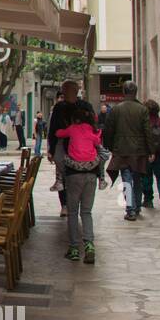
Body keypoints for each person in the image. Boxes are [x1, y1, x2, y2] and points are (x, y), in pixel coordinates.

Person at [55, 103, 103, 264]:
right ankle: (89, 245)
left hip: (74, 174)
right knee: (87, 212)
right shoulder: (91, 130)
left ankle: (74, 249)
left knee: (73, 212)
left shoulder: (73, 129)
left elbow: (58, 133)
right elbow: (97, 141)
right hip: (91, 174)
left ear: (74, 119)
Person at [101, 81, 152, 220]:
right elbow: (147, 131)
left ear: (124, 91)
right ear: (135, 92)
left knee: (127, 180)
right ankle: (136, 207)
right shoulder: (142, 109)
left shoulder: (117, 109)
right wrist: (150, 149)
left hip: (122, 150)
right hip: (139, 151)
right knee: (137, 179)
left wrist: (110, 146)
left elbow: (108, 130)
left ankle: (130, 209)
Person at [46, 80, 95, 218]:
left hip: (80, 148)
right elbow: (53, 129)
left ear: (75, 90)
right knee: (62, 176)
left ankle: (77, 204)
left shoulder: (85, 106)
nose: (64, 92)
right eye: (63, 90)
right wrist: (52, 148)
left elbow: (93, 126)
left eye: (66, 90)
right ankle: (65, 205)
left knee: (77, 177)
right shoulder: (59, 107)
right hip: (63, 146)